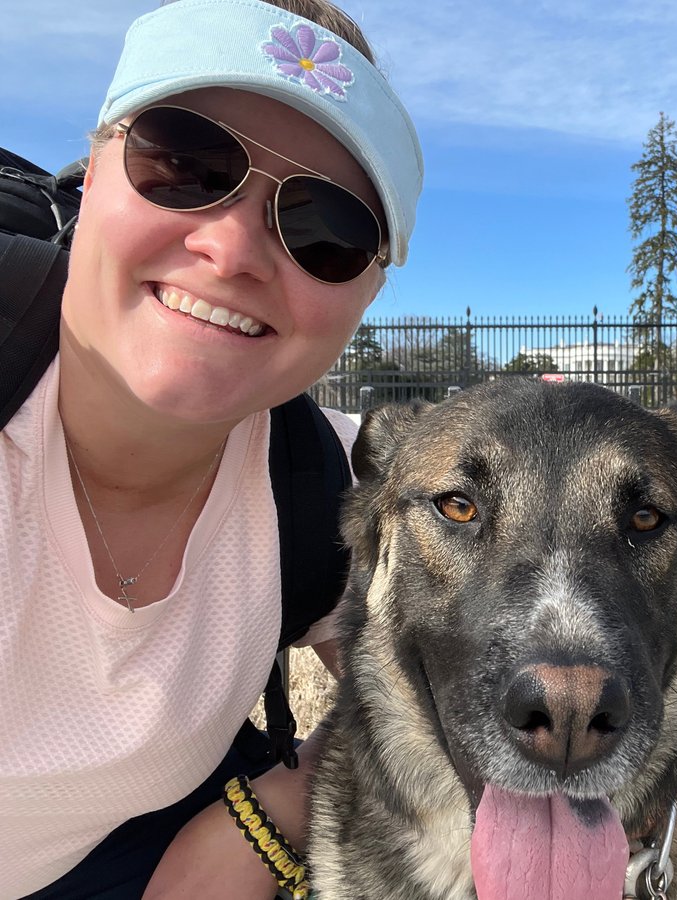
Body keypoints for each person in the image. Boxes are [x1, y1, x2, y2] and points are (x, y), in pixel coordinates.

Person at [0, 0, 422, 895]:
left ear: (368, 290)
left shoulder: (324, 486)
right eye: (185, 163)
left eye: (326, 230)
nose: (232, 248)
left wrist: (270, 818)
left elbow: (441, 711)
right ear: (93, 165)